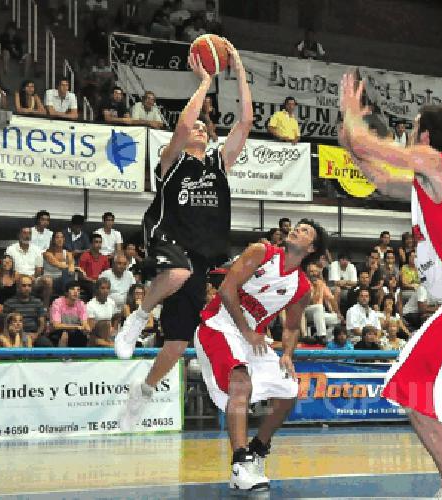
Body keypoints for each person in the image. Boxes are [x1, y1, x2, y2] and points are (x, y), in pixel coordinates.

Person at [337, 71, 442, 500]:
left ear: (426, 137)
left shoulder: (439, 163)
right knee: (438, 404)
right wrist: (350, 137)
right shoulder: (424, 183)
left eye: (413, 129)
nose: (409, 134)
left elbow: (375, 146)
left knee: (410, 388)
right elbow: (374, 173)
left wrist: (352, 116)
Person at [116, 39, 256, 425]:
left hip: (200, 254)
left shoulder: (218, 164)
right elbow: (180, 124)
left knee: (178, 341)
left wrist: (239, 68)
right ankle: (138, 317)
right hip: (166, 237)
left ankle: (142, 393)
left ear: (209, 138)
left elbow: (244, 122)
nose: (195, 128)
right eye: (192, 126)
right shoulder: (172, 161)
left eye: (201, 127)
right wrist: (204, 82)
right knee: (176, 272)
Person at [191, 219, 326, 490]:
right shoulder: (260, 252)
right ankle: (240, 463)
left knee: (289, 390)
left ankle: (258, 449)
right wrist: (247, 331)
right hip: (220, 325)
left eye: (304, 231)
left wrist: (287, 354)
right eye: (296, 227)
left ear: (310, 248)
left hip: (253, 338)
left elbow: (290, 327)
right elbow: (227, 289)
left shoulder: (301, 289)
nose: (296, 230)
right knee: (241, 383)